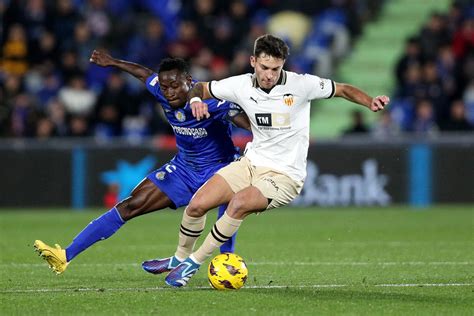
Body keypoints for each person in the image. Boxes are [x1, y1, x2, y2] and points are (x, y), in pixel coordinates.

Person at [162, 34, 390, 287]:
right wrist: (194, 100)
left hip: (285, 175)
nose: (269, 74)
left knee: (238, 204)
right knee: (197, 205)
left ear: (283, 65)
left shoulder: (302, 85)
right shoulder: (240, 85)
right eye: (264, 67)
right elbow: (200, 87)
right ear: (253, 62)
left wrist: (370, 101)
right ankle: (178, 258)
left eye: (275, 68)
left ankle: (192, 264)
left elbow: (343, 89)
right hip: (251, 163)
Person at [33, 50, 251, 275]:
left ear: (189, 81)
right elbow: (143, 73)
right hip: (184, 169)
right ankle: (64, 256)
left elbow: (244, 121)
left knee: (230, 204)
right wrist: (112, 62)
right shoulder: (161, 90)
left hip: (219, 167)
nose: (169, 93)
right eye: (165, 88)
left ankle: (226, 260)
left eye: (175, 86)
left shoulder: (212, 101)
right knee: (130, 205)